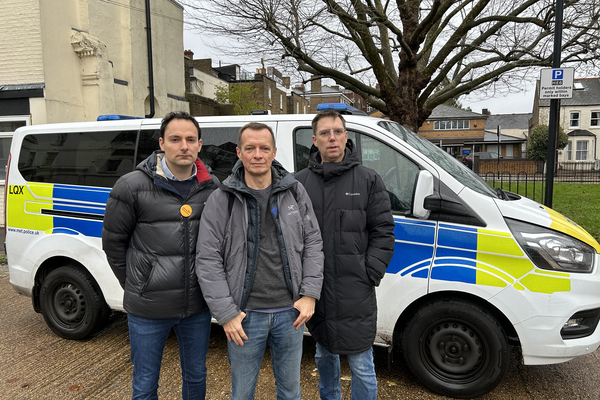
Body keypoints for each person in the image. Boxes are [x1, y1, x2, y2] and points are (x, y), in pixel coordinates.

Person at [196, 122, 324, 400]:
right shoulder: (222, 199)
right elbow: (207, 259)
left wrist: (310, 294)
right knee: (242, 393)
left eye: (264, 148)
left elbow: (313, 242)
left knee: (291, 392)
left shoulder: (295, 192)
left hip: (290, 314)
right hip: (245, 317)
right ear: (239, 153)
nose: (258, 155)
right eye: (250, 148)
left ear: (274, 152)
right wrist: (226, 313)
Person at [102, 111, 217, 400]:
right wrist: (137, 284)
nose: (184, 146)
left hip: (196, 307)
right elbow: (114, 244)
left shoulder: (212, 187)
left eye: (191, 140)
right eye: (176, 139)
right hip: (148, 309)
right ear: (162, 143)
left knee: (196, 376)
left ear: (200, 145)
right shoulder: (131, 186)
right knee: (144, 383)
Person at [295, 110, 395, 400]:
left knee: (362, 363)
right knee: (324, 355)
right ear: (315, 140)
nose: (332, 138)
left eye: (337, 131)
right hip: (317, 290)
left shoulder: (368, 180)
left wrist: (369, 273)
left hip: (356, 290)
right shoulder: (299, 183)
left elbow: (383, 232)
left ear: (346, 136)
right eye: (325, 133)